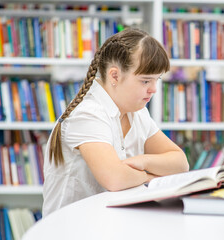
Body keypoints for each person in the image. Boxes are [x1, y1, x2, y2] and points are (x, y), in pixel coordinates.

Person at [42, 28, 189, 217]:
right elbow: (115, 178)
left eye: (156, 80)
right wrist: (153, 176)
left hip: (109, 223)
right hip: (72, 228)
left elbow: (180, 163)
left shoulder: (137, 112)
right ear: (115, 76)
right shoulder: (88, 114)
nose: (153, 89)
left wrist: (142, 161)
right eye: (145, 81)